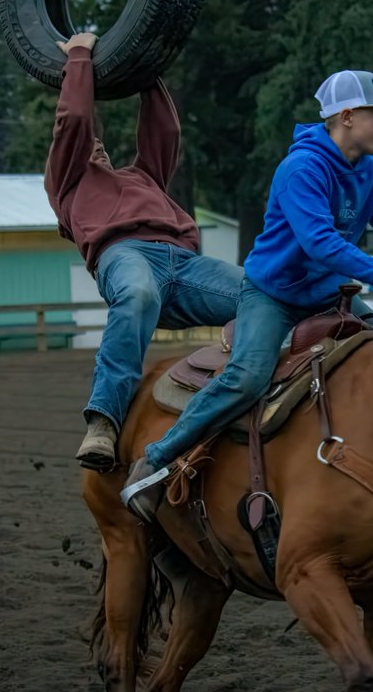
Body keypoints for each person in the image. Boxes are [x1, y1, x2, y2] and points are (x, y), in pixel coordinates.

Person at [122, 68, 373, 521]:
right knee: (248, 377)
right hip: (274, 296)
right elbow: (321, 242)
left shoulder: (370, 170)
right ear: (347, 117)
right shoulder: (301, 169)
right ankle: (154, 459)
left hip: (329, 295)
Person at [46, 32, 244, 470]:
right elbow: (74, 121)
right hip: (125, 254)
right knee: (137, 294)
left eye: (100, 144)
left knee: (260, 292)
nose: (95, 144)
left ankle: (253, 396)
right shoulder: (69, 183)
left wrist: (143, 64)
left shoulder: (143, 177)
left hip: (185, 264)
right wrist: (79, 53)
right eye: (87, 145)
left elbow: (165, 128)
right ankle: (104, 421)